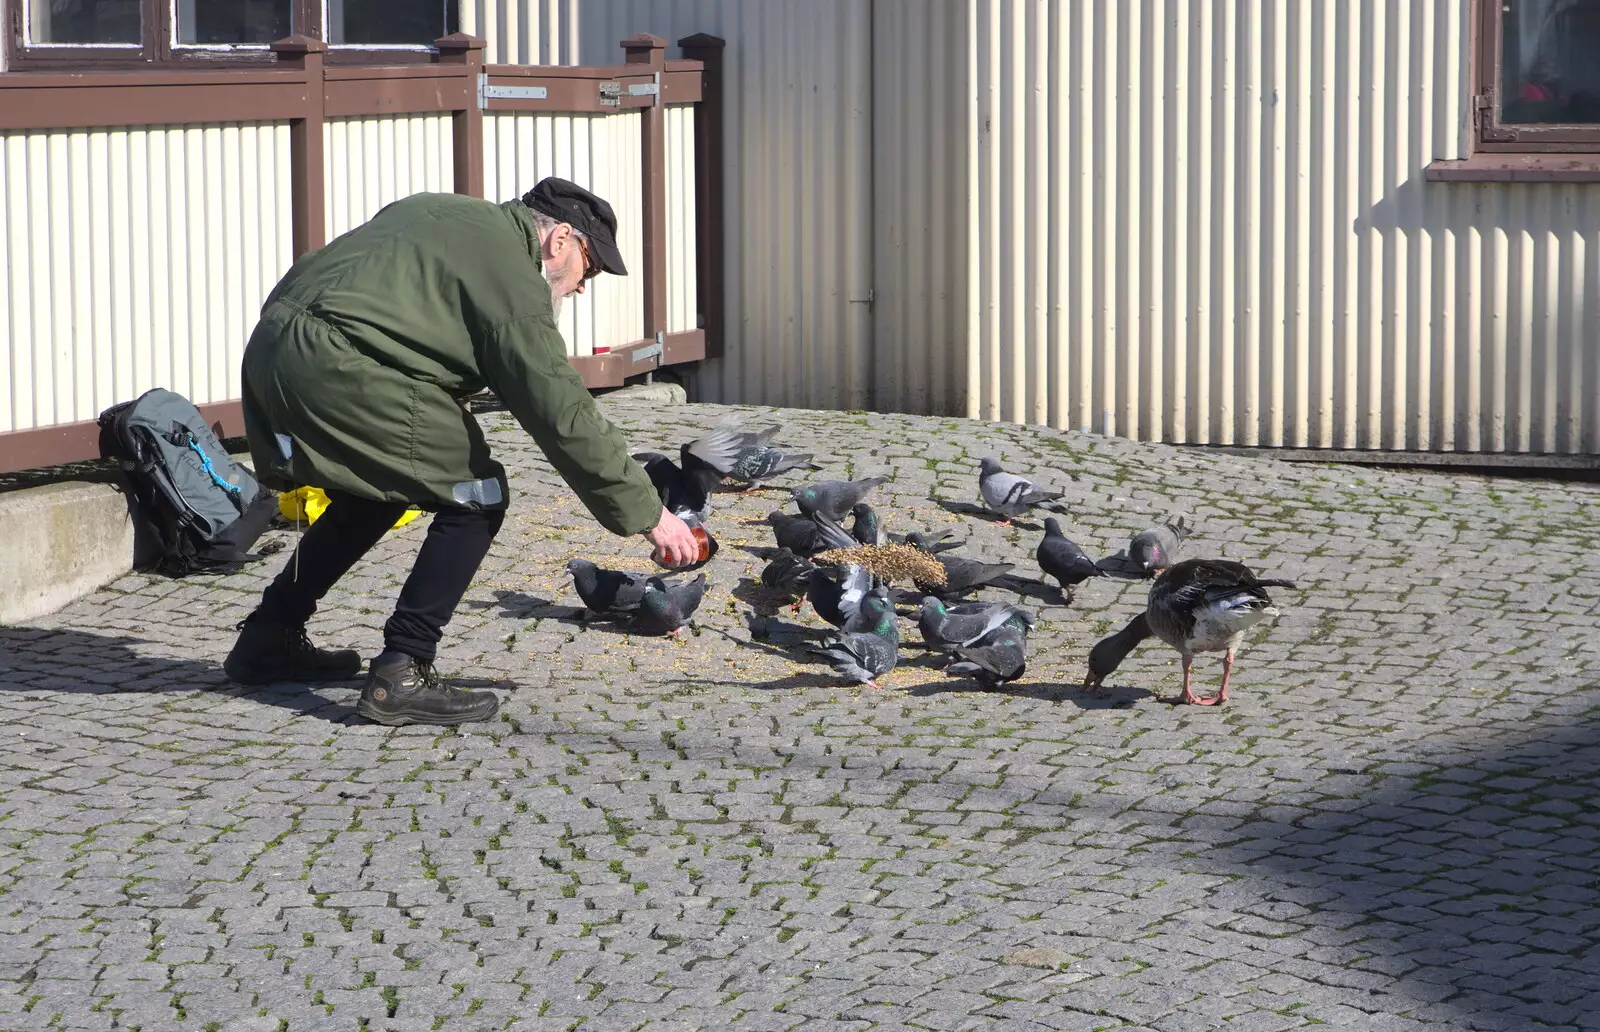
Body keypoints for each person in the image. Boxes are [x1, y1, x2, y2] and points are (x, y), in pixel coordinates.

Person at [222, 178, 701, 726]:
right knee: (476, 496)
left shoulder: (440, 211)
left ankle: (269, 635)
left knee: (371, 494)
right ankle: (403, 667)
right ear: (560, 241)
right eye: (588, 269)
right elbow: (560, 409)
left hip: (274, 351)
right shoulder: (513, 277)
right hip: (343, 366)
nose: (582, 286)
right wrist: (648, 514)